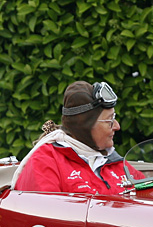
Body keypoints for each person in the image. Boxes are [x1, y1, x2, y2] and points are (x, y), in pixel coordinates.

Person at [12, 81, 143, 193]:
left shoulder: (114, 162)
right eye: (109, 120)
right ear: (85, 125)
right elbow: (45, 217)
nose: (117, 126)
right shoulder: (46, 161)